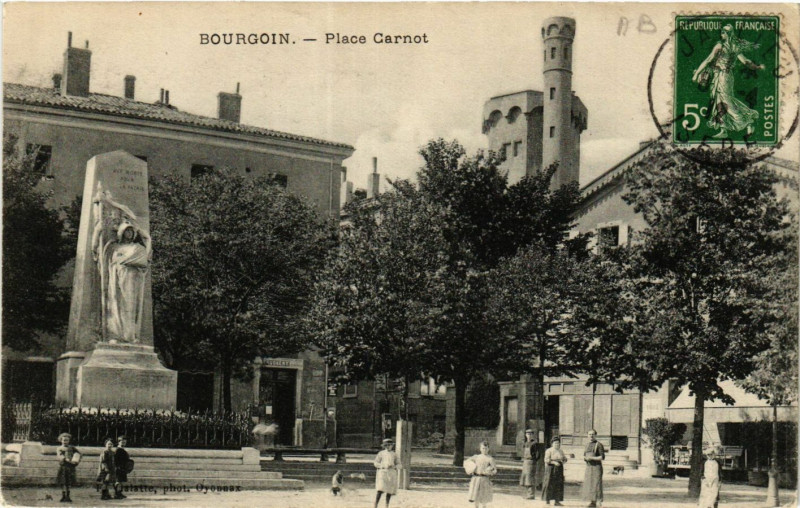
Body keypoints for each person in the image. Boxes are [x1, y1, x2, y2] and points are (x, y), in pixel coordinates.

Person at [692, 24, 765, 139]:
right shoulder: (735, 47)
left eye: (723, 32)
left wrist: (696, 74)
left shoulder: (720, 46)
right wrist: (757, 67)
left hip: (722, 76)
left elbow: (708, 60)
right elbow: (746, 62)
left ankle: (748, 121)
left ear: (727, 34)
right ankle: (724, 129)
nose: (721, 34)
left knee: (726, 101)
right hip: (726, 76)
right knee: (720, 101)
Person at [467, 441, 497, 508]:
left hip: (484, 479)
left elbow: (495, 470)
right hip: (476, 478)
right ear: (480, 448)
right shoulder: (476, 457)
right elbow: (467, 463)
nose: (484, 450)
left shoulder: (490, 458)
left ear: (488, 449)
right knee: (476, 495)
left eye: (486, 448)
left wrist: (489, 472)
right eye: (483, 448)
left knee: (484, 496)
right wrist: (471, 469)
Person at [542, 436, 568, 506]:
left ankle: (557, 501)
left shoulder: (561, 451)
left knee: (558, 484)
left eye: (558, 443)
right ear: (552, 444)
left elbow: (564, 458)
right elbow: (546, 460)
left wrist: (564, 460)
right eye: (555, 443)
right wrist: (553, 462)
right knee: (549, 484)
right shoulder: (549, 450)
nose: (557, 445)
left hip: (559, 469)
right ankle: (547, 500)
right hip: (551, 469)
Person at [582, 429, 605, 508]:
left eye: (593, 434)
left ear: (595, 435)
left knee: (597, 484)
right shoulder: (586, 445)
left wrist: (592, 458)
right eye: (589, 434)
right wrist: (586, 458)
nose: (591, 436)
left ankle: (598, 501)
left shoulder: (598, 445)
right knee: (590, 484)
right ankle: (592, 502)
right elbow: (584, 455)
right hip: (589, 467)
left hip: (597, 467)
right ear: (587, 435)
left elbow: (602, 457)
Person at [373, 438, 398, 508]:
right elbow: (375, 463)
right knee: (380, 489)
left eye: (390, 445)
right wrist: (382, 466)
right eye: (386, 445)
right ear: (384, 446)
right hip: (382, 473)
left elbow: (400, 464)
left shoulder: (394, 454)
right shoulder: (381, 453)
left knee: (389, 490)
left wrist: (394, 466)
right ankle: (376, 504)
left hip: (391, 473)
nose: (388, 446)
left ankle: (387, 505)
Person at [56, 433, 80, 503]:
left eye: (67, 440)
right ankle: (63, 496)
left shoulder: (72, 448)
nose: (65, 442)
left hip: (70, 467)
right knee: (63, 482)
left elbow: (78, 454)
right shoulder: (59, 448)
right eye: (64, 440)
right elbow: (60, 455)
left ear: (69, 441)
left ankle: (68, 496)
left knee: (69, 482)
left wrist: (75, 460)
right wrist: (65, 459)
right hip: (64, 466)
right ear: (61, 440)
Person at [519, 429, 540, 499]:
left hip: (531, 462)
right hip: (525, 462)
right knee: (525, 478)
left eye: (530, 434)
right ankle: (527, 494)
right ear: (525, 435)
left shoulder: (534, 443)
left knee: (530, 478)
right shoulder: (525, 443)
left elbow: (537, 454)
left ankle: (531, 494)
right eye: (528, 434)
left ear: (532, 435)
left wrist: (533, 460)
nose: (529, 436)